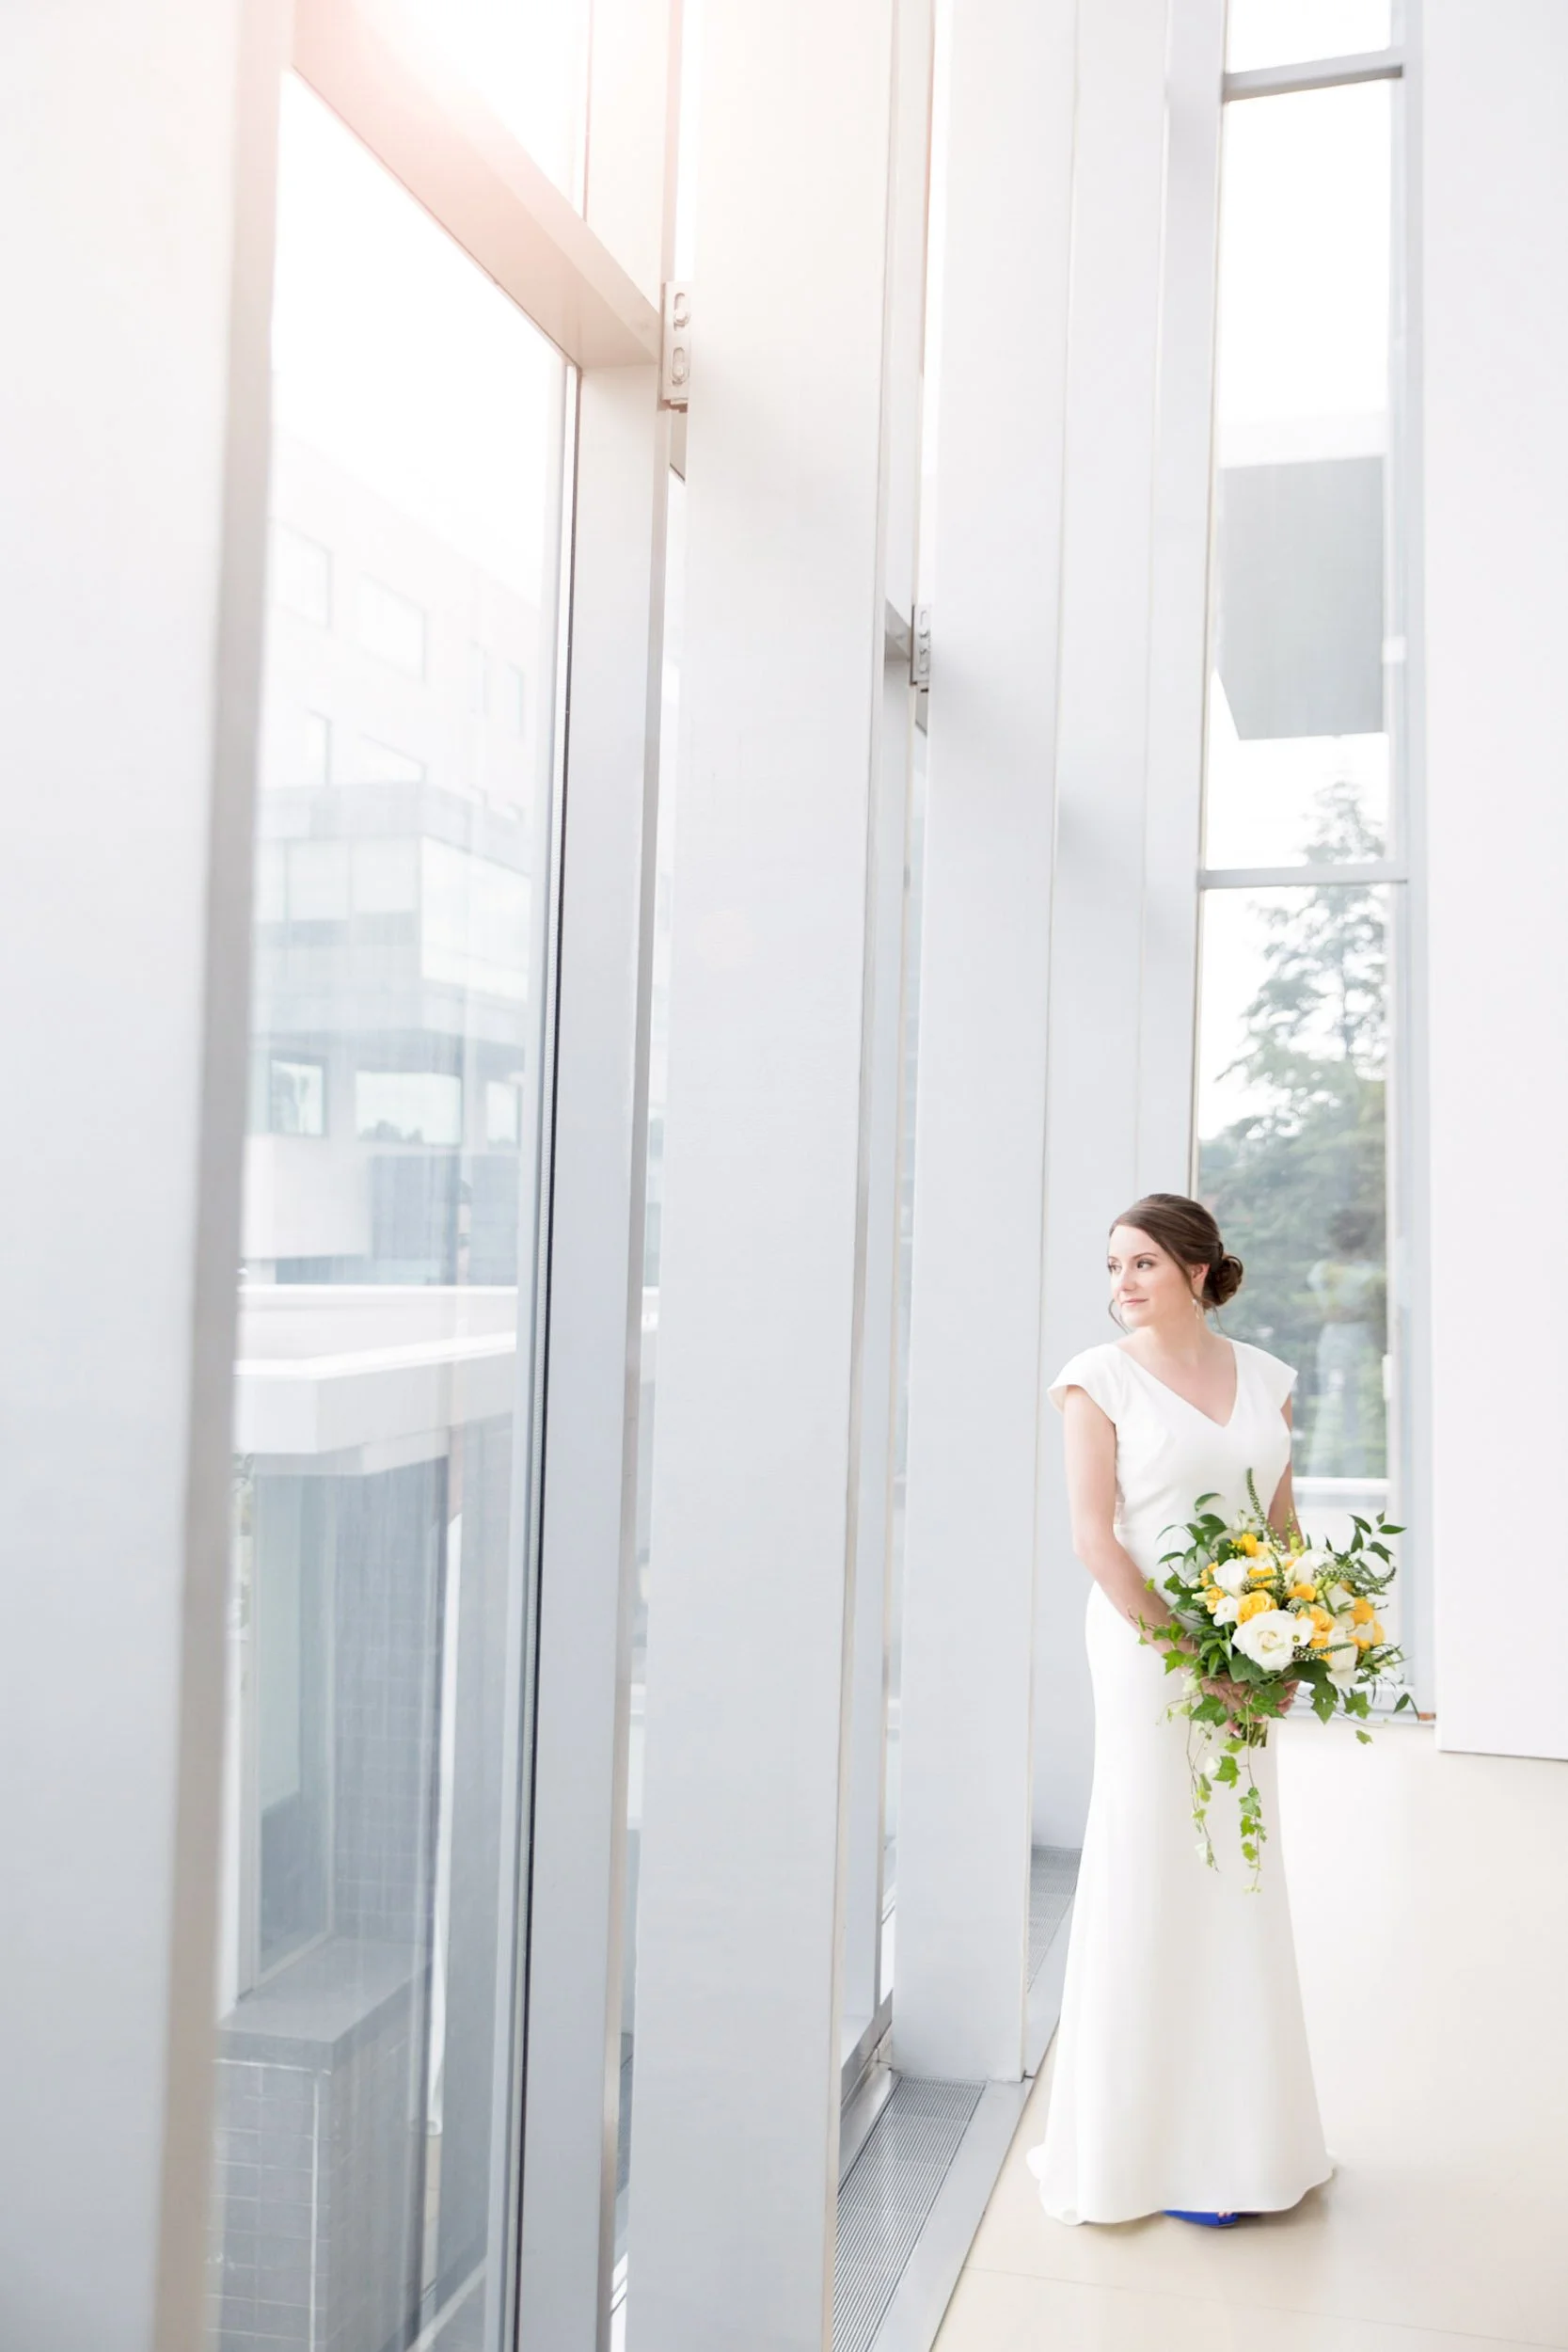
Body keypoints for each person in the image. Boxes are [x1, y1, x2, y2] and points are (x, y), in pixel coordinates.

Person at [1025, 1192, 1331, 2228]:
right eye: (1111, 1265)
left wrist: (1288, 1636)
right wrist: (1189, 1656)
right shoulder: (1093, 1380)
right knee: (1149, 1856)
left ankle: (1239, 2140)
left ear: (1198, 1269)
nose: (1119, 1284)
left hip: (1240, 1648)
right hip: (1144, 1647)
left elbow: (1278, 1521)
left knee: (1238, 1864)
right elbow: (1093, 1539)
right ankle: (1134, 2150)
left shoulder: (1264, 1379)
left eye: (1141, 1263)